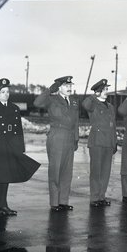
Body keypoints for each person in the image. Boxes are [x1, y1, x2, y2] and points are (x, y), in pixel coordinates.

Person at [0, 78, 40, 218]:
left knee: (5, 176)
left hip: (9, 146)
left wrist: (20, 147)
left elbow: (18, 130)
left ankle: (3, 205)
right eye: (3, 92)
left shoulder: (14, 108)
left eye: (8, 92)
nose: (6, 94)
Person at [34, 76, 79, 212]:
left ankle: (63, 201)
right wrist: (49, 90)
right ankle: (54, 203)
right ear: (59, 88)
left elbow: (76, 122)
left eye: (71, 85)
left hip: (70, 137)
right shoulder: (52, 99)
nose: (69, 88)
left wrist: (76, 139)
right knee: (55, 171)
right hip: (57, 136)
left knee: (67, 171)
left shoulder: (74, 101)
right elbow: (37, 102)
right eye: (66, 86)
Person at [82, 79, 117, 207]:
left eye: (107, 89)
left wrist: (115, 142)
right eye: (105, 89)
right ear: (99, 92)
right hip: (97, 141)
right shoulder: (93, 104)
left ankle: (101, 196)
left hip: (108, 142)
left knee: (105, 171)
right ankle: (94, 198)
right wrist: (93, 96)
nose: (107, 91)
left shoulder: (111, 107)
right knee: (96, 171)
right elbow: (85, 105)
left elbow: (113, 125)